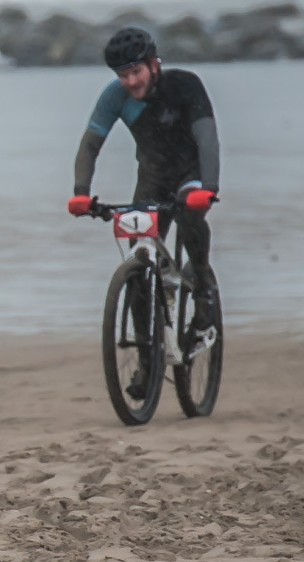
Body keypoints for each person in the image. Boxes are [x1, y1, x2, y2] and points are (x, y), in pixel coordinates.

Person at [66, 26, 222, 394]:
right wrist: (81, 193)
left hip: (191, 176)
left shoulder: (185, 86)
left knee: (189, 217)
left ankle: (203, 291)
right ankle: (148, 360)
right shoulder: (115, 96)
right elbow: (90, 145)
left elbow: (207, 140)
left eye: (136, 72)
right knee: (140, 260)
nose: (130, 82)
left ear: (153, 64)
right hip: (152, 180)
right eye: (122, 75)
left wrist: (209, 188)